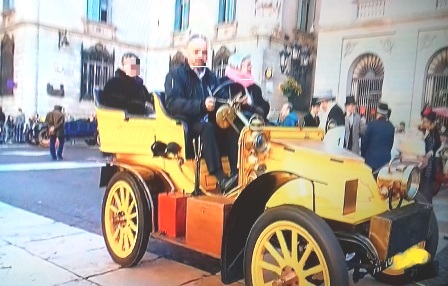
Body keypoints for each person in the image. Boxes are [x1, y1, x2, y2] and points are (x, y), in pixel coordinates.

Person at [164, 33, 237, 194]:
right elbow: (172, 104)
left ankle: (237, 172)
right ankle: (220, 176)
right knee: (207, 128)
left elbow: (222, 97)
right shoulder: (176, 75)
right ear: (187, 52)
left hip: (209, 120)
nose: (200, 56)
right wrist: (201, 106)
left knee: (232, 127)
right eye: (196, 52)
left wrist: (231, 103)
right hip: (188, 123)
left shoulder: (211, 76)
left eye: (204, 52)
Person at [219, 53, 270, 119]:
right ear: (237, 67)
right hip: (234, 123)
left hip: (255, 123)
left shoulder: (255, 87)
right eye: (248, 65)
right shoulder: (224, 83)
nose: (251, 67)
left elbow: (263, 106)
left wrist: (261, 109)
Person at [361, 103, 395, 172]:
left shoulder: (372, 124)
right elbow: (391, 144)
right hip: (385, 161)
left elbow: (364, 143)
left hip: (371, 161)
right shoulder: (391, 126)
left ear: (378, 114)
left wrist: (363, 155)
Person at [418, 111, 441, 203]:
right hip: (421, 162)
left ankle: (426, 205)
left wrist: (431, 151)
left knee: (426, 187)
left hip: (429, 164)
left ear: (431, 122)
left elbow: (438, 143)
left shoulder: (434, 132)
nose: (423, 123)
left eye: (425, 121)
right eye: (423, 121)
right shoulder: (423, 130)